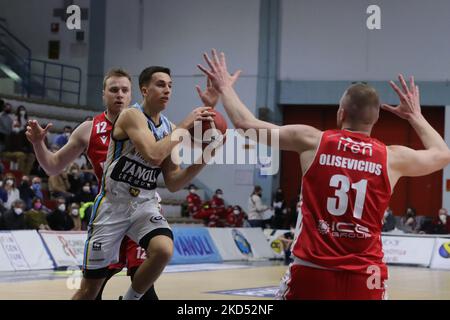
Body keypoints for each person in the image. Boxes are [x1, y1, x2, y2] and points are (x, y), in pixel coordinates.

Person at [198, 49, 450, 300]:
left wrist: (224, 87)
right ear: (374, 120)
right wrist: (415, 116)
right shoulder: (392, 157)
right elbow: (442, 154)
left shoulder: (312, 140)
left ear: (341, 113)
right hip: (367, 275)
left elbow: (246, 126)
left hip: (313, 270)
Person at [72, 65, 217, 300]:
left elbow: (174, 182)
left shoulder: (170, 128)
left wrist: (206, 156)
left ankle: (130, 299)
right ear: (145, 90)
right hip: (112, 207)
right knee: (90, 291)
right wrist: (186, 125)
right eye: (161, 84)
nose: (167, 90)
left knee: (163, 249)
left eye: (170, 85)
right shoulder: (131, 115)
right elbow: (153, 153)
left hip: (143, 204)